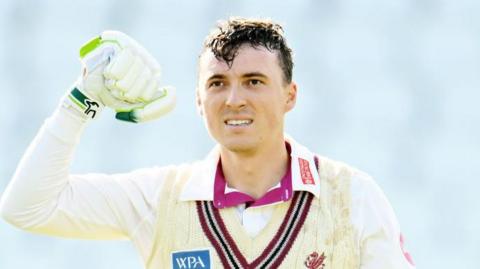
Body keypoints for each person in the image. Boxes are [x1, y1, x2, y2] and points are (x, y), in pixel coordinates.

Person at [0, 17, 415, 269]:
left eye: (254, 81)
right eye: (218, 84)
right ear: (200, 101)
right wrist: (81, 102)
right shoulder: (161, 197)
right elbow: (27, 207)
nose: (234, 99)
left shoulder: (352, 196)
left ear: (290, 95)